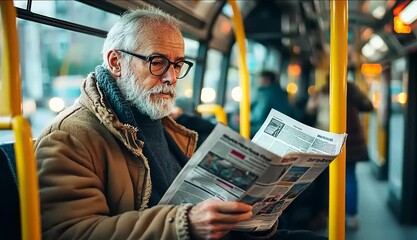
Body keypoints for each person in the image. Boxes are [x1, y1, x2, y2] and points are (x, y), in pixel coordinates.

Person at [35, 8, 327, 240]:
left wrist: (253, 219)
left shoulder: (165, 124)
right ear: (115, 62)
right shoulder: (69, 137)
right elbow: (69, 232)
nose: (171, 78)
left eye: (177, 64)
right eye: (158, 62)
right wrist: (185, 223)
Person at [306, 79, 373, 230]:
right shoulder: (352, 91)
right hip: (350, 142)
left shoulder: (322, 92)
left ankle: (326, 215)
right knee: (349, 177)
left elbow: (310, 111)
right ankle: (351, 217)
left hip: (326, 141)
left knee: (325, 180)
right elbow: (368, 106)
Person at [250, 70, 302, 137]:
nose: (257, 82)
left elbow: (259, 116)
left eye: (259, 79)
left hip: (265, 127)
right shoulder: (284, 93)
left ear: (267, 80)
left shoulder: (266, 94)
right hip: (283, 128)